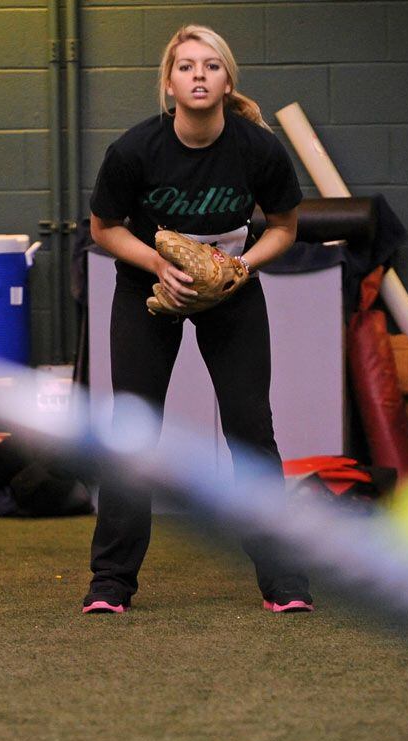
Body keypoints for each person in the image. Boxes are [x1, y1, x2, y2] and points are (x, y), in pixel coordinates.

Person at [85, 24, 313, 614]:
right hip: (149, 287)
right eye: (186, 66)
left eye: (211, 66)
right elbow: (103, 228)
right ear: (169, 82)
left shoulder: (257, 148)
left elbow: (285, 227)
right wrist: (158, 265)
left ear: (227, 79)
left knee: (250, 428)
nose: (199, 76)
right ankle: (111, 583)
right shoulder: (135, 150)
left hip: (232, 289)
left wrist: (242, 267)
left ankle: (283, 579)